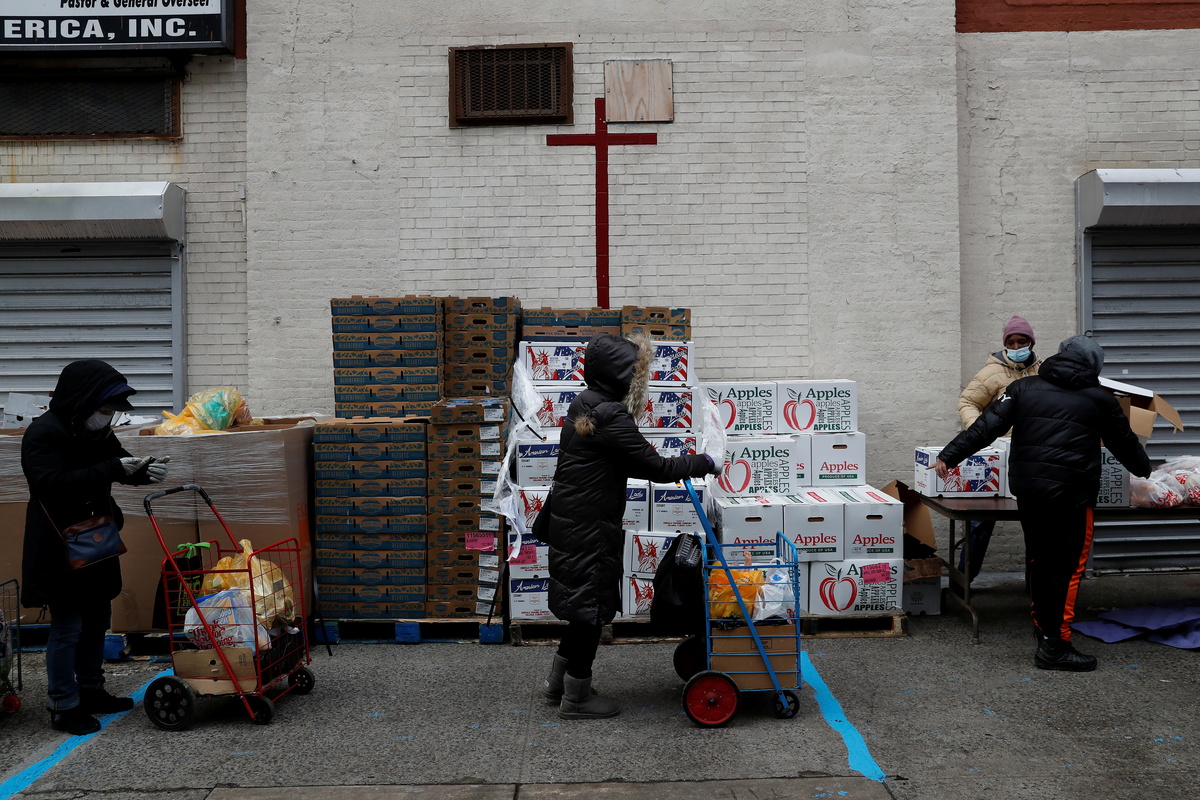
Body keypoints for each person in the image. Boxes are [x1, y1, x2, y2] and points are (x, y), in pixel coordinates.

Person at [934, 336, 1151, 672]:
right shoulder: (1100, 398)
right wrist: (1146, 470)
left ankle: (1044, 628)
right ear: (1093, 366)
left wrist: (950, 455)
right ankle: (1055, 645)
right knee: (1067, 568)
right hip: (1072, 496)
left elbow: (986, 427)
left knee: (1041, 560)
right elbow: (1125, 444)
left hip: (1030, 492)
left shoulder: (1022, 388)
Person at [536, 333, 720, 719]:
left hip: (572, 522)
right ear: (621, 376)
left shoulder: (586, 403)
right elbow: (657, 468)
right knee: (591, 609)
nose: (643, 382)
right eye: (639, 374)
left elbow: (625, 459)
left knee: (581, 606)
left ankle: (557, 685)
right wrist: (705, 462)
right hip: (589, 528)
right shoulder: (612, 415)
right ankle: (576, 698)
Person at [21, 360, 169, 735]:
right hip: (59, 543)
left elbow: (117, 464)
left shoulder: (95, 431)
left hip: (94, 535)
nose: (108, 417)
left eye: (111, 411)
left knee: (97, 617)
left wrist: (144, 471)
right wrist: (115, 468)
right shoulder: (44, 433)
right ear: (82, 401)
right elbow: (50, 482)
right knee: (69, 624)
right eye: (104, 409)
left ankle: (91, 689)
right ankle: (63, 704)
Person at [954, 314, 1042, 582]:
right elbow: (967, 403)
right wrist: (983, 433)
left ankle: (1035, 587)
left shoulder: (1043, 371)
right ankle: (963, 582)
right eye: (1011, 342)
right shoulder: (991, 373)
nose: (1016, 347)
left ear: (1031, 342)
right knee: (981, 519)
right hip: (997, 455)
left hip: (1032, 455)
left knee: (1036, 523)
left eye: (1022, 342)